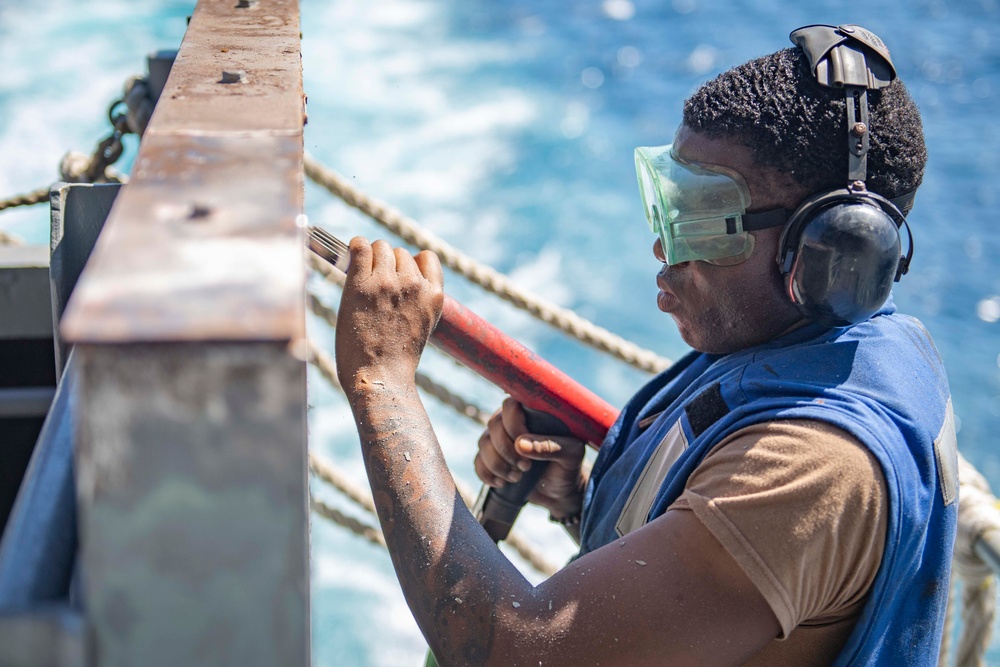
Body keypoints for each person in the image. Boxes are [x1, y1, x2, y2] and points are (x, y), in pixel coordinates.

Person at [334, 24, 957, 666]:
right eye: (671, 207)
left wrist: (381, 380)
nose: (666, 249)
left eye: (707, 225)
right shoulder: (797, 348)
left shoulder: (813, 468)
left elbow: (517, 654)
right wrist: (581, 501)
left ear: (833, 254)